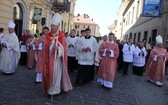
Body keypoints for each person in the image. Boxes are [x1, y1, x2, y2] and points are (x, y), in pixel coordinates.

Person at [42, 13, 72, 96]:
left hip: (57, 61)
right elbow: (45, 47)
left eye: (53, 26)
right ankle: (49, 89)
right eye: (51, 26)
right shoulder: (48, 35)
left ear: (58, 27)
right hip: (49, 59)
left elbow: (65, 48)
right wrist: (49, 46)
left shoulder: (62, 36)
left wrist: (58, 49)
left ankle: (55, 91)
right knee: (48, 74)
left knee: (55, 75)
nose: (51, 28)